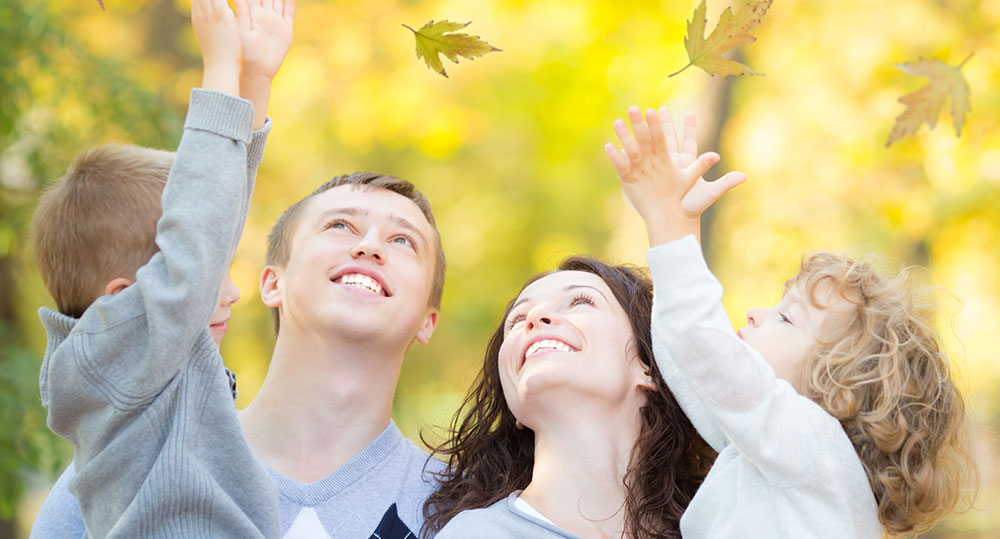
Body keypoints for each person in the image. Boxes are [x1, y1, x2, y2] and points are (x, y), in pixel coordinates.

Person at [605, 106, 977, 536]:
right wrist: (683, 227)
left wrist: (665, 218)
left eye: (786, 317)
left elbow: (708, 353)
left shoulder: (813, 448)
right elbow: (692, 366)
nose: (755, 314)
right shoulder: (780, 456)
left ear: (837, 386)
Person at [33, 171, 449, 538]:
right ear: (272, 283)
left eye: (402, 240)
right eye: (340, 224)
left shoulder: (458, 508)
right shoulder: (134, 464)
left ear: (428, 321)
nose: (370, 246)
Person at [29, 0, 294, 536]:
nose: (234, 292)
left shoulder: (135, 352)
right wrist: (218, 68)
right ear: (122, 297)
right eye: (201, 277)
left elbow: (211, 217)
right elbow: (199, 229)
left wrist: (252, 77)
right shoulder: (114, 360)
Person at [425, 112, 744, 538]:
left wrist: (673, 228)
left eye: (580, 302)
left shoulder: (726, 521)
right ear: (514, 405)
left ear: (648, 365)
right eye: (518, 319)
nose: (534, 319)